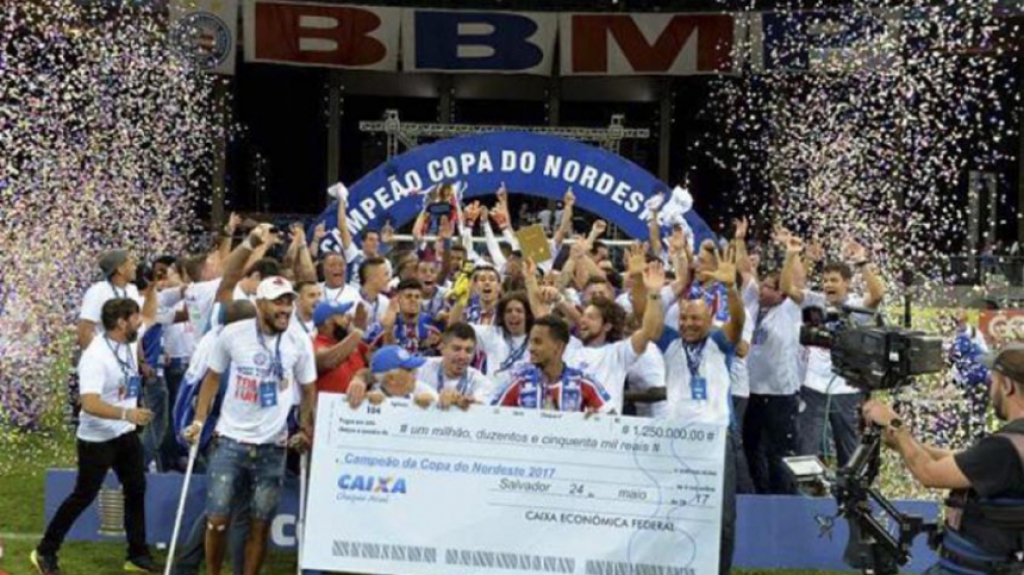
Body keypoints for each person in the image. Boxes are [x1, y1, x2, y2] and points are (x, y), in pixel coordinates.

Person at [183, 276, 317, 575]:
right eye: (278, 302)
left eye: (288, 302)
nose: (285, 308)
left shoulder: (298, 341)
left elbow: (309, 389)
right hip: (229, 441)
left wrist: (305, 430)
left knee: (260, 524)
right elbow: (212, 378)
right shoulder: (232, 334)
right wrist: (199, 419)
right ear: (260, 304)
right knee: (217, 520)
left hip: (273, 445)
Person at [862, 343, 1024, 575]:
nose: (990, 388)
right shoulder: (1014, 443)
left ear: (1007, 386)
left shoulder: (1002, 448)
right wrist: (905, 443)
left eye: (994, 381)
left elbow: (929, 474)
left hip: (975, 567)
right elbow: (964, 462)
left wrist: (894, 424)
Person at [33, 299, 161, 575]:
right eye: (135, 317)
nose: (140, 321)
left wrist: (152, 285)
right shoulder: (95, 356)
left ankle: (137, 555)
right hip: (97, 439)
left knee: (136, 490)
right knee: (84, 495)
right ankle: (45, 550)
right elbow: (89, 403)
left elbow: (151, 314)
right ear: (121, 322)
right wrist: (128, 414)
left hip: (124, 434)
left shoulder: (127, 341)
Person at [656, 248, 744, 575]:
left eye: (695, 319)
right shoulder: (670, 343)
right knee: (675, 511)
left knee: (722, 517)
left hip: (716, 441)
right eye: (684, 319)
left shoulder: (720, 344)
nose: (689, 324)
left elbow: (739, 322)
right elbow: (644, 317)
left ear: (709, 320)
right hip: (677, 440)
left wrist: (731, 288)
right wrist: (651, 289)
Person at [781, 237, 885, 467]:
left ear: (847, 283)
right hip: (813, 387)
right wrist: (790, 256)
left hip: (847, 389)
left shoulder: (857, 305)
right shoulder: (813, 301)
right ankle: (805, 499)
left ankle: (849, 497)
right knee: (805, 448)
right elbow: (787, 288)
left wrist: (862, 263)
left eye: (834, 280)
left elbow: (877, 295)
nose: (828, 284)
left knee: (849, 450)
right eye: (825, 280)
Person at [494, 315, 614, 413]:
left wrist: (597, 421)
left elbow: (613, 420)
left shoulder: (584, 383)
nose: (531, 348)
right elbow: (491, 417)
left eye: (537, 342)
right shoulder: (519, 383)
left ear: (558, 346)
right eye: (530, 342)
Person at [416, 323, 494, 406]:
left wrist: (463, 400)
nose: (462, 356)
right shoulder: (422, 367)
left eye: (468, 351)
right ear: (442, 348)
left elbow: (480, 403)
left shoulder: (480, 381)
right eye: (456, 349)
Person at [312, 301, 368, 398]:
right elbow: (329, 361)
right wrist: (358, 331)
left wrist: (361, 377)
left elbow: (376, 363)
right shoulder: (314, 345)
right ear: (328, 322)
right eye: (342, 316)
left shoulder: (351, 341)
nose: (348, 319)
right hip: (329, 410)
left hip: (358, 408)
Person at [378, 279, 442, 354]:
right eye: (408, 296)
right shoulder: (385, 324)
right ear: (399, 299)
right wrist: (388, 330)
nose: (413, 300)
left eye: (417, 297)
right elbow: (368, 352)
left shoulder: (433, 324)